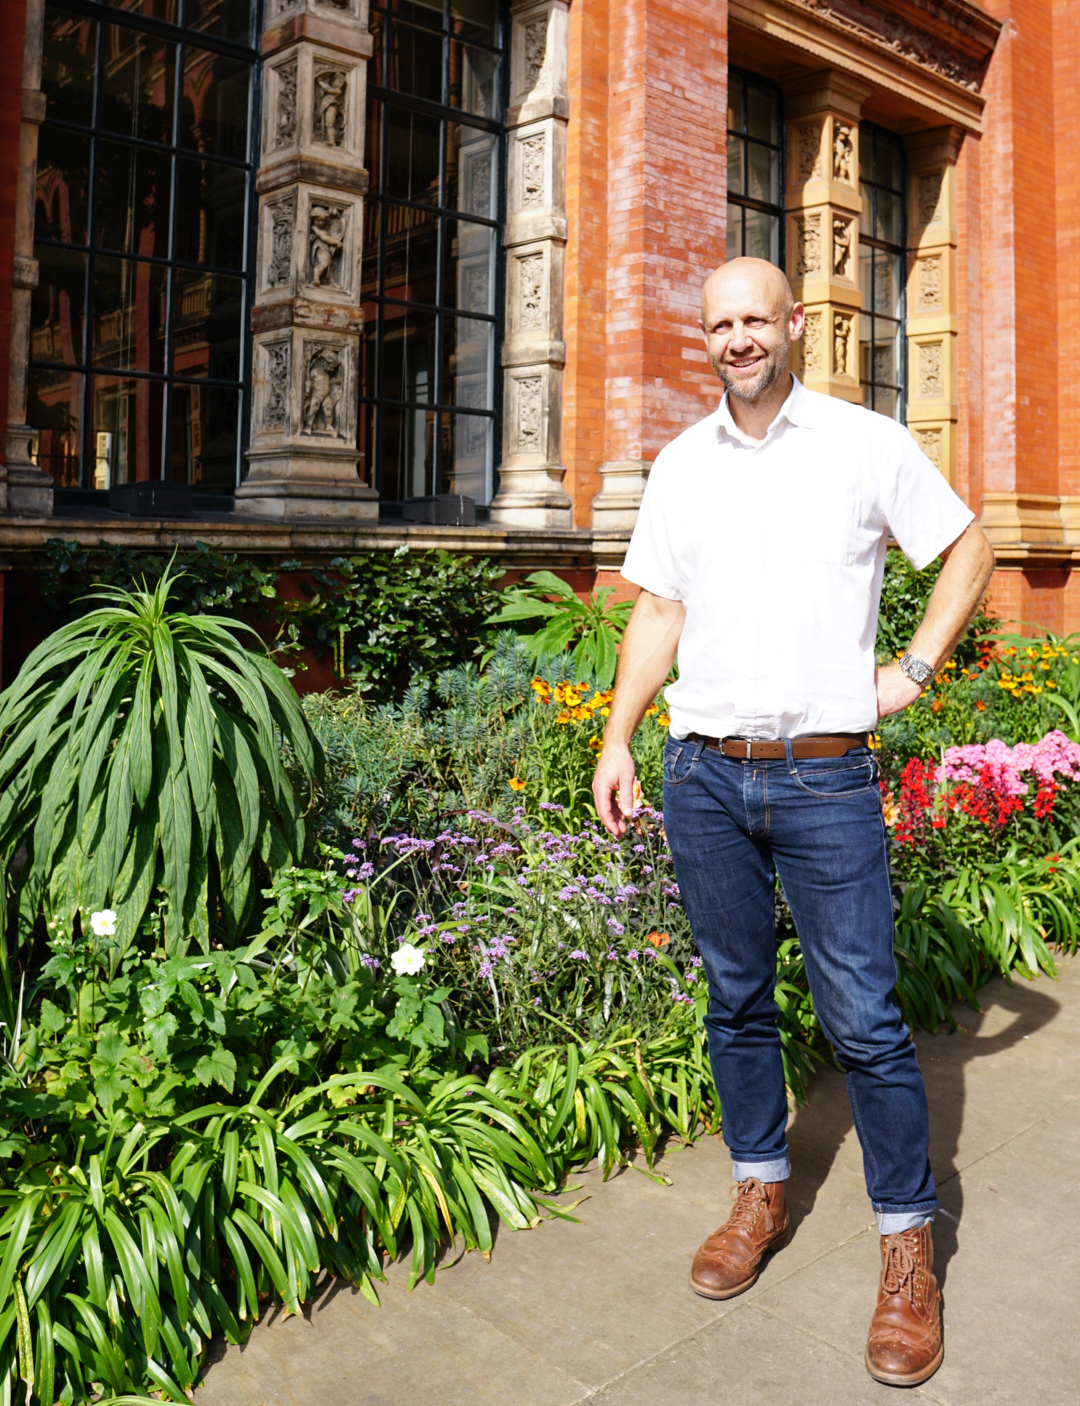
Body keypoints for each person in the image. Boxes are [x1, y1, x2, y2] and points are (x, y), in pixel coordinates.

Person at [592, 257, 995, 1388]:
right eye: (719, 323)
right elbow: (659, 607)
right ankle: (761, 1187)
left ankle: (908, 1246)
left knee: (864, 1015)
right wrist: (618, 735)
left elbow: (970, 547)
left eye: (755, 318)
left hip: (824, 778)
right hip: (704, 773)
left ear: (795, 325)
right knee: (735, 997)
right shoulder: (679, 465)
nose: (737, 338)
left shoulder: (862, 443)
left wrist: (912, 667)